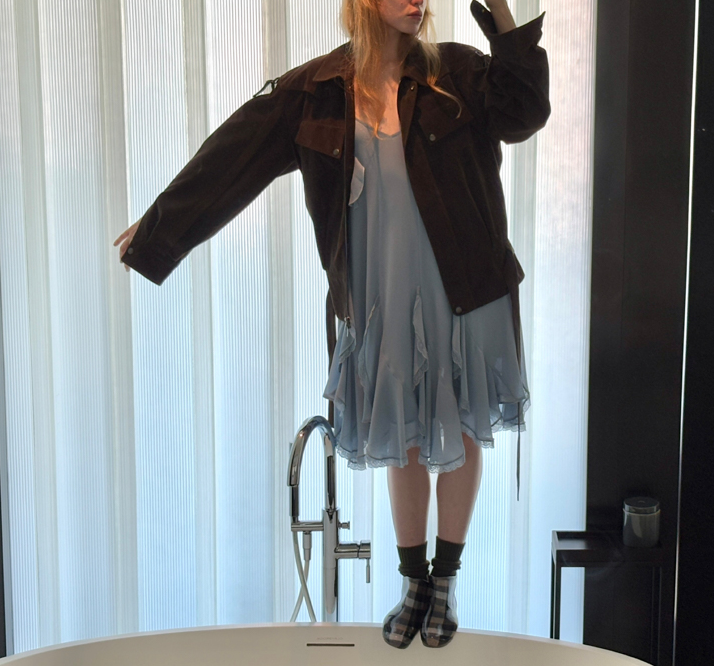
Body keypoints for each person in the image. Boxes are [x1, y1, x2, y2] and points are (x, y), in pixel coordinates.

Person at [114, 0, 548, 650]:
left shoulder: (458, 72)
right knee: (404, 438)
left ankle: (446, 581)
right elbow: (230, 160)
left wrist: (506, 24)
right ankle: (415, 583)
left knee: (461, 427)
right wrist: (157, 228)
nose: (417, 0)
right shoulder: (312, 93)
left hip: (464, 290)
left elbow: (524, 113)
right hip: (378, 296)